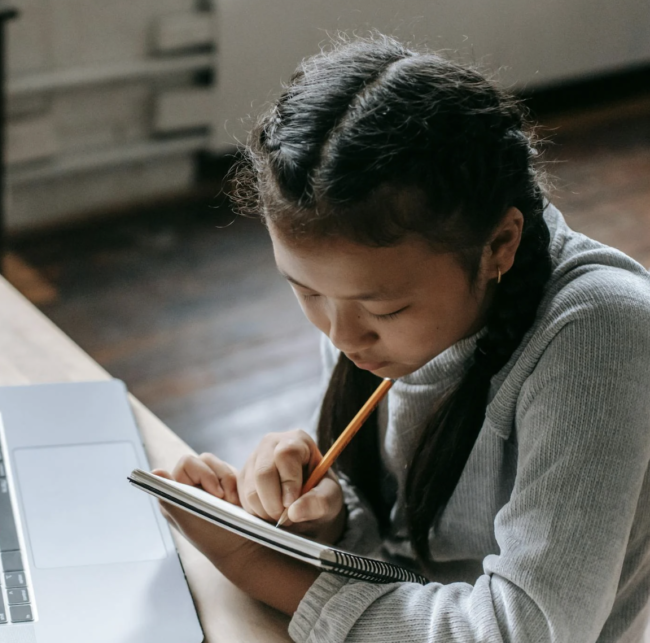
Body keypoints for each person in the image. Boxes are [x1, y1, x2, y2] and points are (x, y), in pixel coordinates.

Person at [153, 36, 650, 642]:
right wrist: (333, 520)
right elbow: (400, 552)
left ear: (500, 246)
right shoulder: (368, 305)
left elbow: (526, 632)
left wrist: (256, 565)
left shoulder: (601, 333)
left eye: (382, 308)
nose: (340, 336)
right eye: (304, 291)